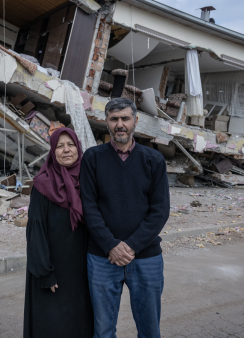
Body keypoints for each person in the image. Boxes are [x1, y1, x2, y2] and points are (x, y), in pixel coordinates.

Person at [81, 97, 170, 338]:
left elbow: (160, 210)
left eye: (125, 118)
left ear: (135, 121)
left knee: (150, 329)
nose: (120, 124)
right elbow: (89, 207)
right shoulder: (92, 158)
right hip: (102, 258)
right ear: (106, 122)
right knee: (102, 329)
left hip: (146, 257)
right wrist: (111, 245)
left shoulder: (153, 160)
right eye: (114, 119)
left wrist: (130, 246)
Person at [23, 127, 94, 338]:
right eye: (60, 146)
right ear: (53, 152)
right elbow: (35, 230)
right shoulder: (42, 185)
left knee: (80, 322)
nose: (66, 150)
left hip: (83, 268)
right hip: (54, 269)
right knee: (53, 324)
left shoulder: (88, 180)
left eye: (70, 145)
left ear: (78, 148)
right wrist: (45, 272)